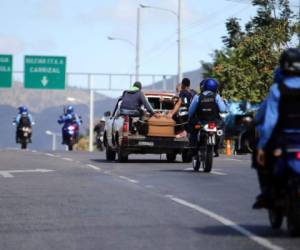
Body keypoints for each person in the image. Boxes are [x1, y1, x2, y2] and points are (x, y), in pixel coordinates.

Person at [254, 48, 300, 208]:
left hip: (284, 139)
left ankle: (268, 193)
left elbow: (270, 121)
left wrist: (261, 146)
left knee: (264, 162)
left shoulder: (277, 89)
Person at [188, 78, 227, 157]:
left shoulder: (198, 96)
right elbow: (223, 109)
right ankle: (219, 145)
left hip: (200, 122)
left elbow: (191, 111)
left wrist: (189, 117)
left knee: (192, 128)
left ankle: (193, 147)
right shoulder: (217, 96)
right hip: (214, 122)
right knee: (222, 126)